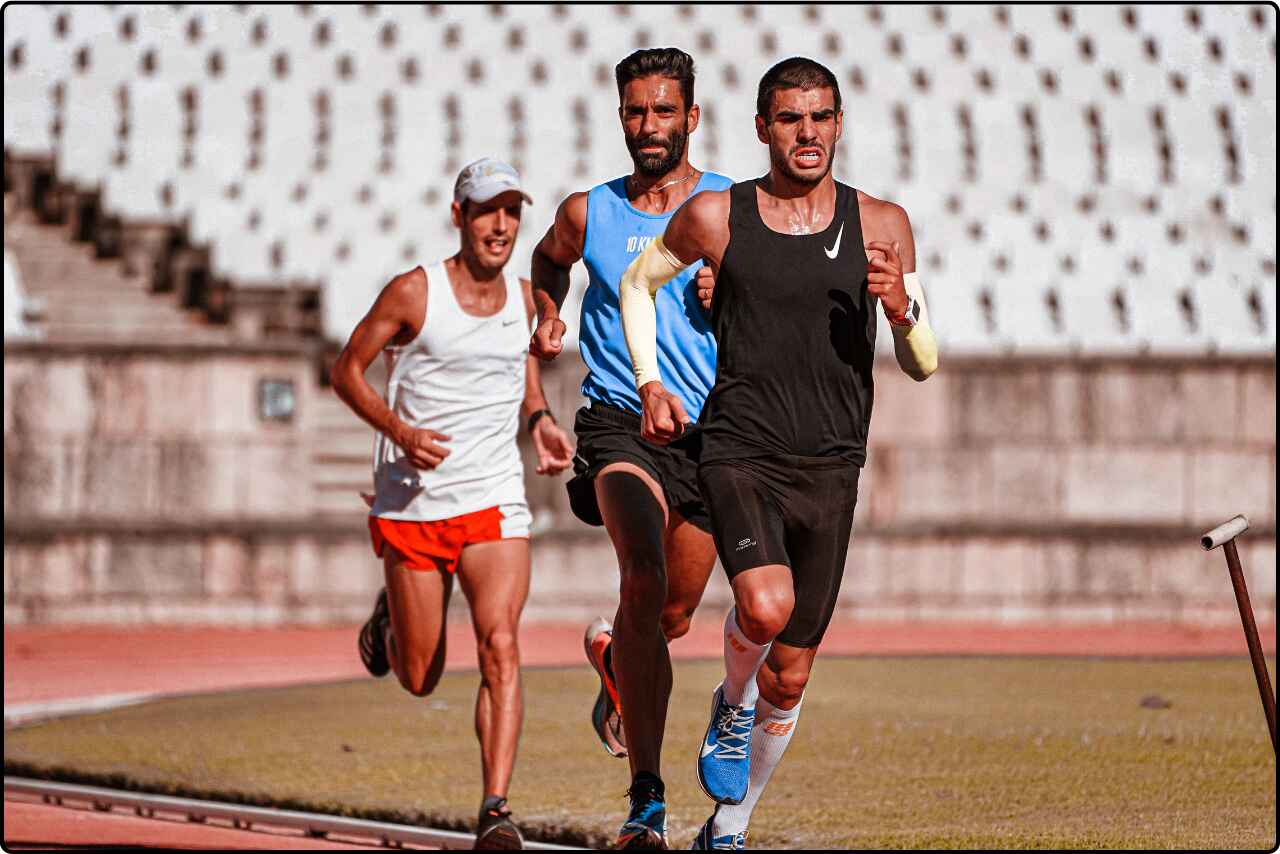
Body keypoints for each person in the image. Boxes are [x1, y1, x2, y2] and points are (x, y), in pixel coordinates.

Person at [618, 57, 939, 850]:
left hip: (832, 463)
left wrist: (903, 312)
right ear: (762, 128)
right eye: (790, 119)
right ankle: (729, 703)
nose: (808, 134)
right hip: (741, 447)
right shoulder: (717, 216)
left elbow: (924, 361)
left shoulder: (885, 223)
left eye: (821, 117)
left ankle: (731, 823)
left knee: (791, 674)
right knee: (765, 606)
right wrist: (651, 381)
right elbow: (636, 284)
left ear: (838, 123)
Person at [331, 157, 575, 851]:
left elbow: (525, 379)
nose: (500, 225)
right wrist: (398, 431)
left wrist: (541, 424)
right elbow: (345, 370)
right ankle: (391, 622)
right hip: (414, 503)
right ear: (459, 216)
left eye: (511, 211)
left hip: (494, 496)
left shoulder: (528, 301)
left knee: (501, 644)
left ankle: (496, 810)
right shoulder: (415, 292)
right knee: (419, 675)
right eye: (486, 210)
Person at [528, 47, 732, 849]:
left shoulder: (727, 206)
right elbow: (547, 258)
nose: (649, 127)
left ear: (692, 116)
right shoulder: (590, 211)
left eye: (663, 111)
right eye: (635, 112)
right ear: (621, 116)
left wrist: (729, 289)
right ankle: (646, 799)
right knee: (641, 577)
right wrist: (550, 310)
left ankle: (616, 659)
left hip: (712, 430)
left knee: (671, 614)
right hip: (618, 421)